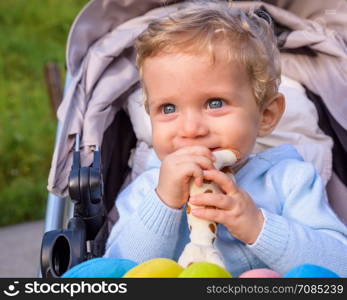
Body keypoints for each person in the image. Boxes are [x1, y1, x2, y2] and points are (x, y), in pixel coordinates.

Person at [104, 0, 347, 277]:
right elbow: (121, 268)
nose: (191, 129)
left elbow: (339, 265)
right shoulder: (148, 188)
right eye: (168, 109)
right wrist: (164, 203)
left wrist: (258, 225)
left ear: (266, 115)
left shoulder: (289, 180)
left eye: (215, 103)